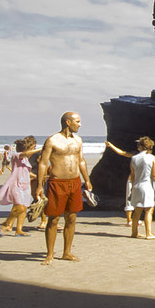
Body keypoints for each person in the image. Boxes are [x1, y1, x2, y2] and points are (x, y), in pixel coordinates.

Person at [35, 111, 93, 264]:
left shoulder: (78, 140)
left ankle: (67, 252)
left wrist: (86, 179)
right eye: (77, 121)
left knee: (72, 218)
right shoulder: (52, 140)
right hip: (57, 182)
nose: (80, 124)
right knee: (53, 219)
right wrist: (40, 185)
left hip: (74, 181)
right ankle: (50, 254)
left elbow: (81, 161)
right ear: (68, 122)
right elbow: (42, 163)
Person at [0, 136, 39, 236]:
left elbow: (26, 172)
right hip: (16, 185)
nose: (33, 150)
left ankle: (19, 230)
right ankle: (5, 223)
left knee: (24, 208)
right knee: (20, 208)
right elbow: (25, 154)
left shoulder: (26, 160)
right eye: (33, 148)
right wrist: (42, 148)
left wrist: (38, 176)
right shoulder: (16, 156)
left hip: (25, 186)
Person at [128, 137, 155, 238]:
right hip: (147, 186)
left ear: (141, 147)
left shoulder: (133, 158)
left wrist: (132, 188)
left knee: (137, 211)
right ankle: (148, 233)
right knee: (149, 210)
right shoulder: (151, 158)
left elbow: (132, 176)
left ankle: (134, 232)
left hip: (136, 186)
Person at [105, 140, 136, 225]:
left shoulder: (140, 156)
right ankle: (129, 220)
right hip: (133, 180)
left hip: (139, 180)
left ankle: (134, 219)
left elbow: (122, 153)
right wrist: (111, 146)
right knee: (130, 199)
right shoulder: (136, 155)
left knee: (136, 200)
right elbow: (122, 153)